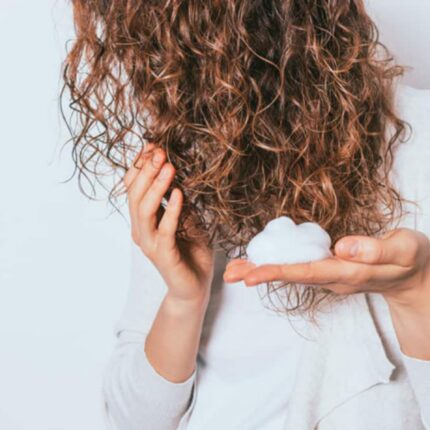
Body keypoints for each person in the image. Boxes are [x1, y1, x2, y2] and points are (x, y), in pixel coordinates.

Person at [62, 1, 430, 428]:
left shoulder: (419, 145)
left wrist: (416, 293)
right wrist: (183, 300)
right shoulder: (190, 157)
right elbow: (133, 420)